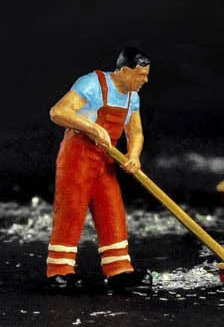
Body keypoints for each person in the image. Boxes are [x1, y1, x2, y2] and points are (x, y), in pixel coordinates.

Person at [45, 45, 153, 291]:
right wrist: (93, 128)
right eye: (140, 75)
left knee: (111, 210)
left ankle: (119, 271)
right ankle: (59, 270)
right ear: (125, 71)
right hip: (77, 157)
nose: (145, 80)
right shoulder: (92, 84)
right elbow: (58, 111)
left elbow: (135, 132)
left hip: (105, 161)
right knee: (71, 211)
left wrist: (133, 156)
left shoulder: (131, 97)